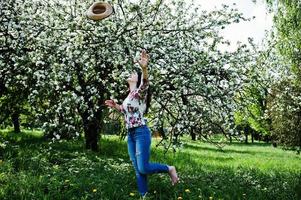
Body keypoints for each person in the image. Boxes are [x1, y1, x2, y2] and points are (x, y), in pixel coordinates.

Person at [105, 49, 179, 198]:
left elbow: (145, 83)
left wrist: (144, 69)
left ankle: (169, 168)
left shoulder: (139, 93)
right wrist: (116, 106)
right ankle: (143, 195)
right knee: (137, 168)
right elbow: (127, 111)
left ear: (137, 78)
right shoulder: (128, 96)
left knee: (144, 167)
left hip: (141, 132)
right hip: (131, 134)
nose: (129, 73)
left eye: (133, 73)